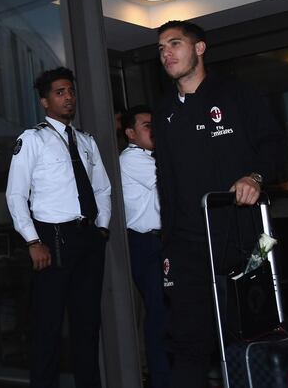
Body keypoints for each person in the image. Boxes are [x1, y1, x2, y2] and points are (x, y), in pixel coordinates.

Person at [152, 20, 286, 388]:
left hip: (241, 241)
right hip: (188, 248)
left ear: (199, 48)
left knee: (247, 338)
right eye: (161, 48)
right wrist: (169, 245)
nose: (166, 53)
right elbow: (167, 182)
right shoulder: (164, 112)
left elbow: (274, 144)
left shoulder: (237, 94)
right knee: (188, 344)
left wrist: (254, 177)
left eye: (175, 44)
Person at [5, 67, 112, 388]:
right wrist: (32, 240)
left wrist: (102, 228)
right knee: (47, 327)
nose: (68, 98)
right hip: (51, 238)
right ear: (45, 102)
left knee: (87, 325)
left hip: (88, 238)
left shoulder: (86, 141)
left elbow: (103, 188)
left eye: (71, 92)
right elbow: (15, 194)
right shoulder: (32, 139)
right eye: (60, 93)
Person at [119, 106, 169, 388]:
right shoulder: (131, 159)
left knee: (168, 312)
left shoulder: (154, 158)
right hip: (147, 244)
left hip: (161, 242)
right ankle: (162, 380)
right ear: (130, 134)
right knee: (159, 314)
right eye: (147, 125)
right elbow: (172, 182)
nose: (154, 129)